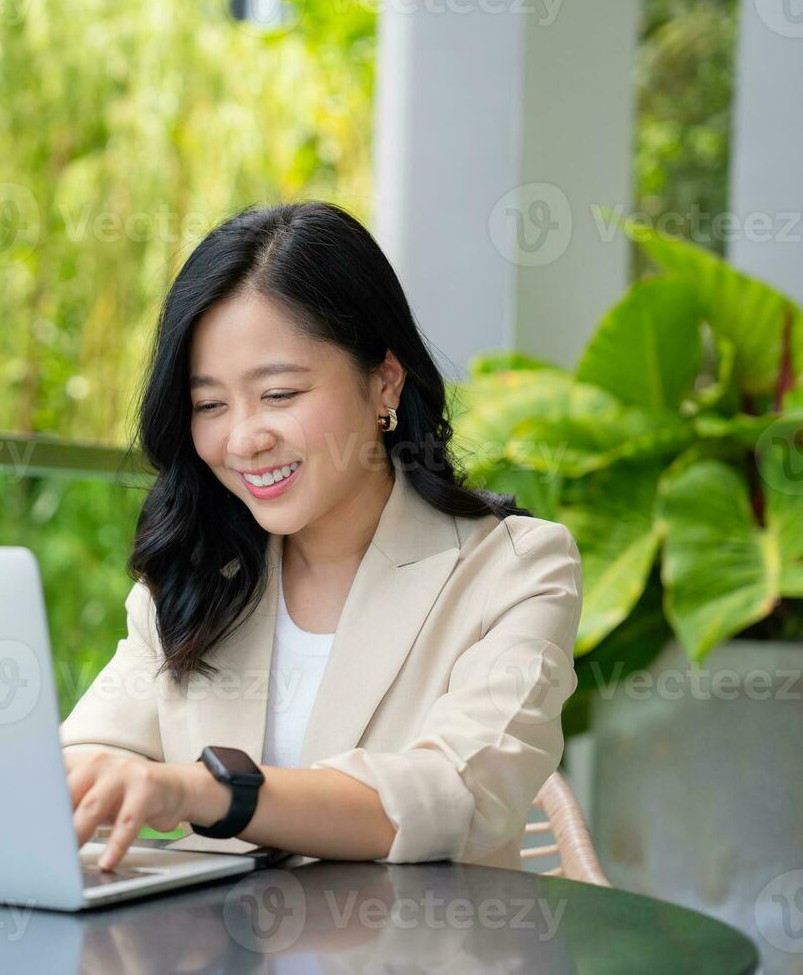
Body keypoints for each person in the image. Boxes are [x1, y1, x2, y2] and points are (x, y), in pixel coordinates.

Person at [60, 202, 582, 873]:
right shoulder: (199, 574)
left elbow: (455, 796)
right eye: (210, 405)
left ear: (384, 381)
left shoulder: (515, 568)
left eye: (278, 394)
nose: (245, 439)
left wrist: (209, 789)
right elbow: (88, 756)